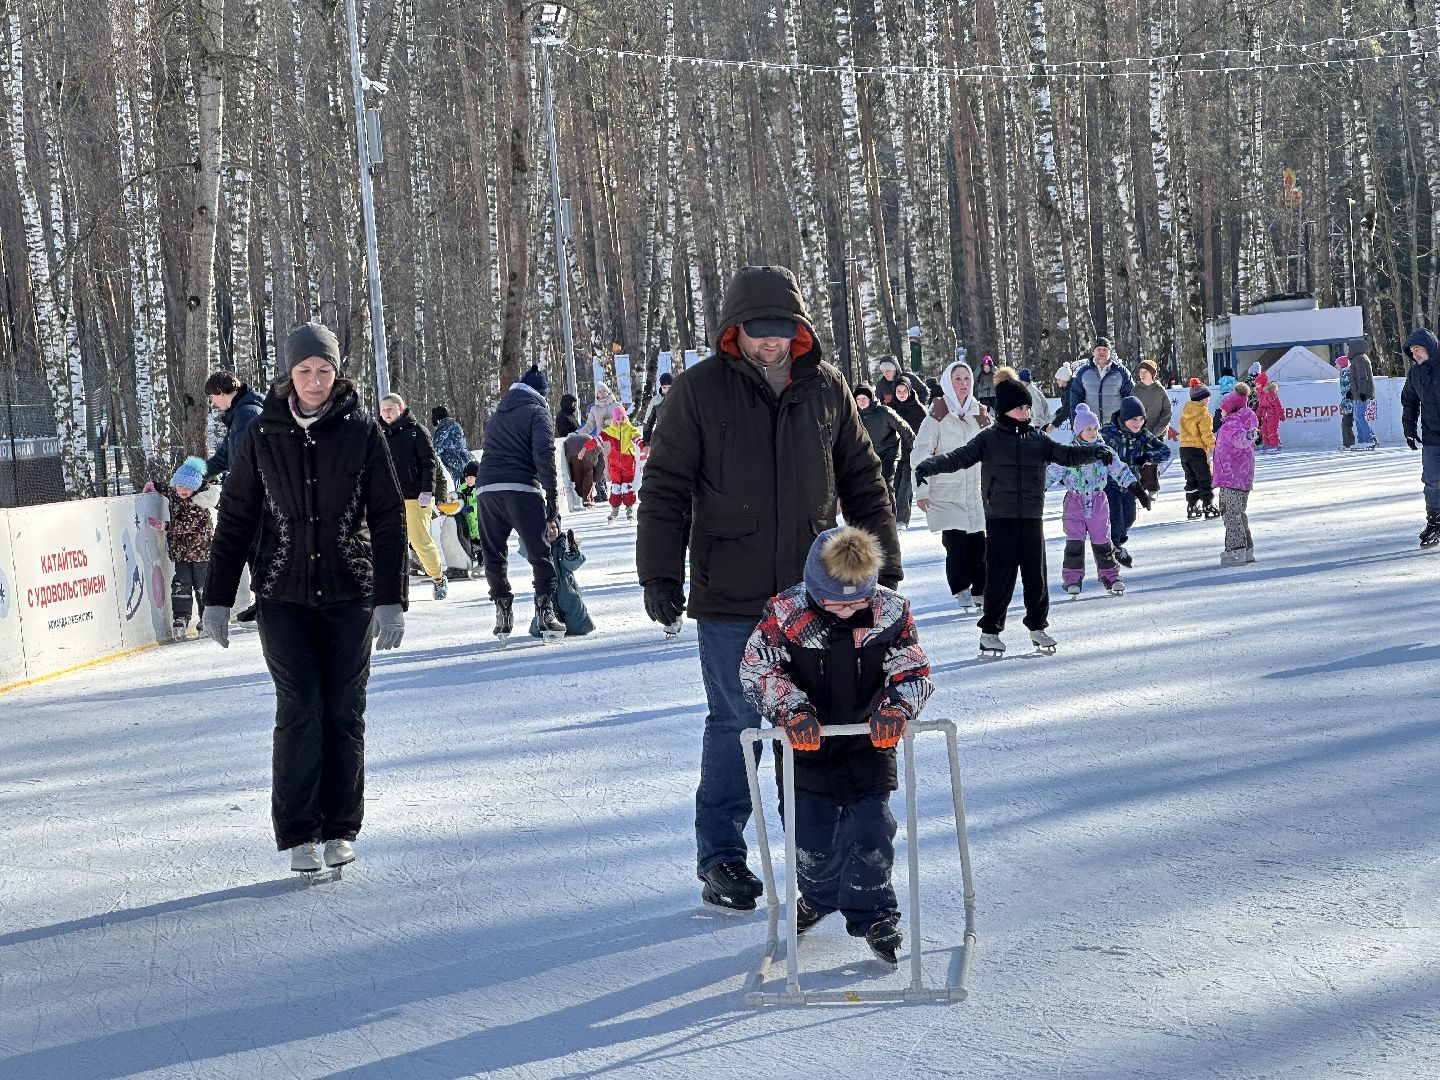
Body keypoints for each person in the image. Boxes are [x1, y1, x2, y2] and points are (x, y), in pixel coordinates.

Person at [636, 263, 901, 912]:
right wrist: (661, 572)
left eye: (783, 330)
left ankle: (817, 854)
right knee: (737, 724)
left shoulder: (826, 389)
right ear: (736, 330)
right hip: (731, 597)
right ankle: (721, 857)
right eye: (759, 331)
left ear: (799, 330)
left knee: (811, 726)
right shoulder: (698, 392)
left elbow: (862, 479)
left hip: (813, 596)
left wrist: (883, 567)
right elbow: (666, 486)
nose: (771, 343)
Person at [201, 321, 407, 874]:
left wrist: (391, 596)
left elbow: (388, 516)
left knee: (343, 710)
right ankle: (299, 834)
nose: (314, 380)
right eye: (304, 370)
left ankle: (340, 827)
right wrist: (218, 597)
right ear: (288, 375)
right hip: (282, 595)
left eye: (324, 370)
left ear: (337, 373)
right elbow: (238, 516)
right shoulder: (262, 434)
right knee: (300, 707)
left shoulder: (362, 430)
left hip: (349, 594)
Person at [738, 526, 932, 967]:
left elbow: (912, 669)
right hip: (807, 743)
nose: (846, 612)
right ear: (813, 590)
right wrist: (792, 711)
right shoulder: (785, 613)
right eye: (834, 603)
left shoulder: (891, 612)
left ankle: (875, 912)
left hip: (868, 739)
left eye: (856, 603)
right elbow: (758, 670)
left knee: (871, 828)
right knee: (812, 832)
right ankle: (818, 896)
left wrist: (896, 710)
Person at [914, 367, 1112, 656]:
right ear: (1007, 409)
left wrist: (1095, 451)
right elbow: (959, 457)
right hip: (1000, 517)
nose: (1026, 412)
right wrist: (929, 466)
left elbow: (1067, 455)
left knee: (1036, 576)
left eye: (1028, 408)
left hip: (1031, 516)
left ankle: (1038, 626)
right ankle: (990, 632)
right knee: (1000, 577)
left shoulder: (1037, 439)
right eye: (1021, 407)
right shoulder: (989, 439)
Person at [477, 364, 566, 639]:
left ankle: (502, 612)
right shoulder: (538, 411)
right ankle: (545, 613)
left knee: (494, 554)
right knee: (540, 552)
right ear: (542, 394)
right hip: (521, 490)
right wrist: (552, 498)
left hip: (486, 491)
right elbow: (544, 456)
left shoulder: (498, 413)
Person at [1047, 404, 1147, 598]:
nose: (1093, 432)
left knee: (1102, 541)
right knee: (1074, 542)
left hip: (1098, 501)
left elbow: (1120, 470)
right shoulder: (1068, 453)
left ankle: (1111, 576)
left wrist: (1137, 489)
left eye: (1095, 428)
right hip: (1074, 502)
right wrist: (1036, 490)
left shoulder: (1105, 452)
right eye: (1088, 429)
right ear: (1078, 431)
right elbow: (1052, 472)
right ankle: (1072, 579)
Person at [913, 360, 989, 612]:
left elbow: (993, 451)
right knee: (955, 543)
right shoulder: (937, 416)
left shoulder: (981, 414)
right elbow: (922, 453)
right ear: (948, 382)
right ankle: (962, 588)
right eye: (957, 379)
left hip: (975, 491)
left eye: (966, 379)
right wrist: (922, 489)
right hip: (945, 490)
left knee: (979, 543)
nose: (963, 384)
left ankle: (982, 589)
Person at [203, 371, 266, 622]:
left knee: (259, 550)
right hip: (251, 495)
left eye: (212, 399)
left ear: (221, 394)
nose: (213, 404)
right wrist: (195, 473)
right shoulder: (240, 413)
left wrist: (230, 491)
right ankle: (261, 600)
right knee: (253, 549)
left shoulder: (246, 414)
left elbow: (243, 463)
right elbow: (224, 457)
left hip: (256, 497)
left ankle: (265, 601)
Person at [379, 393, 449, 601]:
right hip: (388, 498)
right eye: (383, 410)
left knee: (419, 541)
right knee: (390, 543)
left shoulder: (416, 431)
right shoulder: (379, 432)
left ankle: (438, 577)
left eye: (390, 409)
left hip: (415, 497)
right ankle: (393, 585)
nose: (386, 413)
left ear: (401, 409)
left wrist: (428, 491)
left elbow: (429, 463)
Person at [143, 456, 220, 640]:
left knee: (202, 586)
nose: (183, 491)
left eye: (187, 488)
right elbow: (166, 489)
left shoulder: (199, 502)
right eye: (180, 487)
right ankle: (180, 618)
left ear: (194, 487)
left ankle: (206, 619)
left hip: (202, 552)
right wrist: (153, 485)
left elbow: (187, 525)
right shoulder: (174, 492)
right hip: (181, 553)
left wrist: (165, 526)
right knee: (181, 585)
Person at [1099, 396, 1170, 568]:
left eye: (1141, 419)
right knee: (1116, 516)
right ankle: (1114, 547)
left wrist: (1146, 457)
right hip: (1110, 483)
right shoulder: (1107, 432)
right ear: (1124, 418)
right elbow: (1092, 446)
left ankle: (1116, 540)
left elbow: (1165, 451)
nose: (1138, 423)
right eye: (1134, 419)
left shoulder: (1143, 435)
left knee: (1129, 517)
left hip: (1132, 484)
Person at [1401, 328, 1440, 547]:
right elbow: (1409, 401)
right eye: (1412, 351)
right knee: (1432, 481)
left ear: (1429, 346)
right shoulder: (1415, 373)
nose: (1415, 354)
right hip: (1432, 435)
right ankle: (1435, 522)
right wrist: (1409, 428)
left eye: (1418, 349)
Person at [1214, 387, 1259, 565]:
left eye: (1223, 407)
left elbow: (1239, 439)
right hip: (1239, 477)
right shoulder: (1240, 421)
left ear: (1231, 408)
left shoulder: (1232, 424)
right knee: (1238, 513)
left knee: (1230, 514)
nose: (1221, 411)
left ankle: (1236, 551)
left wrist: (1248, 436)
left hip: (1231, 476)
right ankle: (1247, 549)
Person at [853, 384, 914, 507]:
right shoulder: (853, 416)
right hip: (868, 455)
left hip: (889, 452)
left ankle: (891, 517)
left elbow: (904, 428)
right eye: (858, 399)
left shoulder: (883, 412)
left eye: (864, 398)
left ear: (871, 398)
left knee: (885, 482)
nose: (861, 402)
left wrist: (915, 447)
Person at [585, 404, 644, 523]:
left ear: (626, 418)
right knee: (616, 488)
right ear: (614, 419)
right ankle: (614, 510)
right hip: (615, 465)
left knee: (627, 487)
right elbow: (597, 439)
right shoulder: (610, 431)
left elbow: (638, 440)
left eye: (623, 418)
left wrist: (644, 446)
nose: (621, 421)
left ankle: (629, 510)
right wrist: (585, 447)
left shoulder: (631, 429)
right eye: (618, 419)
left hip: (628, 464)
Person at [1069, 336, 1135, 428]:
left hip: (1116, 427)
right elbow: (1075, 400)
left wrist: (1128, 423)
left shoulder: (1121, 372)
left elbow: (1131, 399)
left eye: (1105, 349)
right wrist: (1076, 423)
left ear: (1110, 352)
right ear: (1093, 352)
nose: (1101, 352)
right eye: (1098, 349)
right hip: (1091, 427)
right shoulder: (1083, 372)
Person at [1178, 379, 1220, 519]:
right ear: (1202, 398)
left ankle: (1192, 506)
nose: (1208, 400)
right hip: (1197, 450)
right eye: (1207, 397)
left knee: (1191, 479)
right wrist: (1216, 447)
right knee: (1204, 478)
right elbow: (1206, 435)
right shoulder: (1204, 415)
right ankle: (1208, 505)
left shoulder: (1185, 412)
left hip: (1184, 450)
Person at [889, 380, 926, 529]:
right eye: (899, 391)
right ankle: (891, 518)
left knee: (906, 487)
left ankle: (902, 520)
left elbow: (925, 434)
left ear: (909, 391)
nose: (902, 394)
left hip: (912, 455)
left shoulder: (919, 410)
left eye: (904, 391)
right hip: (894, 454)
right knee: (894, 486)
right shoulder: (889, 409)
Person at [1344, 339, 1380, 449]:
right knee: (1357, 416)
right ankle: (1362, 440)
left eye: (1350, 348)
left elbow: (1363, 377)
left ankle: (1368, 439)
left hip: (1362, 393)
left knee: (1360, 416)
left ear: (1355, 348)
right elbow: (1355, 379)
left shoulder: (1360, 358)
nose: (1348, 350)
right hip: (1358, 393)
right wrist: (1351, 391)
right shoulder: (1357, 359)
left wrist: (1362, 392)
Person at [429, 405, 473, 489]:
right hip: (466, 462)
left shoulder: (444, 428)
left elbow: (434, 448)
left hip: (458, 465)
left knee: (462, 493)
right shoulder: (454, 424)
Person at [1132, 358, 1175, 440]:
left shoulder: (1159, 390)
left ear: (1152, 374)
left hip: (1157, 436)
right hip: (1139, 435)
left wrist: (1156, 432)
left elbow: (1167, 412)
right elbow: (1130, 411)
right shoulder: (1135, 390)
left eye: (1145, 372)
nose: (1142, 374)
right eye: (1141, 372)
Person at [1254, 373, 1283, 454]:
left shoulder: (1269, 393)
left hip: (1273, 414)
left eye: (1258, 384)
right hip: (1265, 414)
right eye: (1256, 384)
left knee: (1272, 429)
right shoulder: (1260, 393)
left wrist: (1280, 414)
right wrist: (1257, 415)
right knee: (1264, 429)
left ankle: (1276, 444)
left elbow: (1277, 404)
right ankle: (1268, 444)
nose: (1256, 385)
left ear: (1262, 384)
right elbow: (1261, 405)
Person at [642, 372, 674, 444]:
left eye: (669, 387)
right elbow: (648, 422)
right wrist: (646, 441)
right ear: (661, 387)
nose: (667, 390)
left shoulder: (681, 398)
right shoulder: (656, 401)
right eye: (664, 387)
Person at [1337, 356, 1357, 449]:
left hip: (1349, 403)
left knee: (1346, 424)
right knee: (1354, 422)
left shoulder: (1345, 372)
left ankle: (1348, 444)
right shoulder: (1345, 372)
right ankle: (1349, 443)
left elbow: (1348, 387)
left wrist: (1349, 395)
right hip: (1349, 402)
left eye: (1337, 363)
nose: (1335, 366)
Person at [1050, 362, 1074, 430]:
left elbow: (1066, 410)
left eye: (1058, 379)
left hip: (1080, 425)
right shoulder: (1066, 390)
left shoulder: (1071, 391)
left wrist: (1053, 425)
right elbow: (1066, 407)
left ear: (1064, 379)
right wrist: (1056, 414)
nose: (1056, 381)